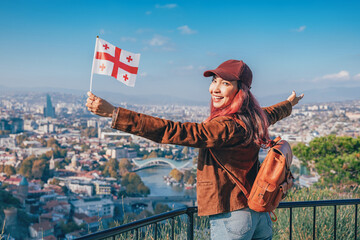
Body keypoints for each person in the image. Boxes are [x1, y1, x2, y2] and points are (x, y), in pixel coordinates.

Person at [86, 59, 303, 240]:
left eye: (225, 83)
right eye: (214, 81)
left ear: (240, 90)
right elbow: (270, 113)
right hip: (260, 214)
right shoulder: (253, 118)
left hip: (233, 217)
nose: (215, 89)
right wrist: (288, 104)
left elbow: (173, 131)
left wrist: (115, 114)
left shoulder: (226, 126)